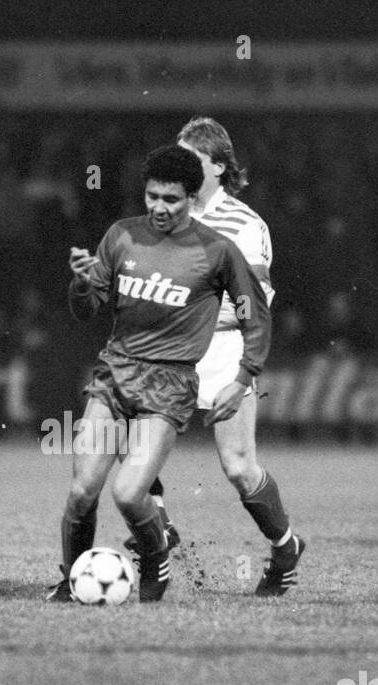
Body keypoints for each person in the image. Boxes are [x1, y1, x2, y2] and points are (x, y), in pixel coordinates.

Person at [50, 144, 272, 603]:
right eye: (152, 196)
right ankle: (72, 582)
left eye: (171, 199)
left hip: (168, 386)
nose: (159, 208)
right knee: (80, 492)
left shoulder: (217, 251)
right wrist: (80, 284)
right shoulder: (121, 236)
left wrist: (243, 378)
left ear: (192, 198)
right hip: (115, 375)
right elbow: (87, 310)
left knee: (130, 494)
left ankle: (155, 558)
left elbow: (257, 318)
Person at [125, 117, 304, 596]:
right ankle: (160, 532)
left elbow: (256, 301)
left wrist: (242, 371)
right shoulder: (167, 218)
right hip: (169, 354)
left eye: (193, 161)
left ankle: (285, 548)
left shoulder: (245, 225)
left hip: (224, 353)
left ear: (220, 167)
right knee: (136, 450)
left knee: (239, 467)